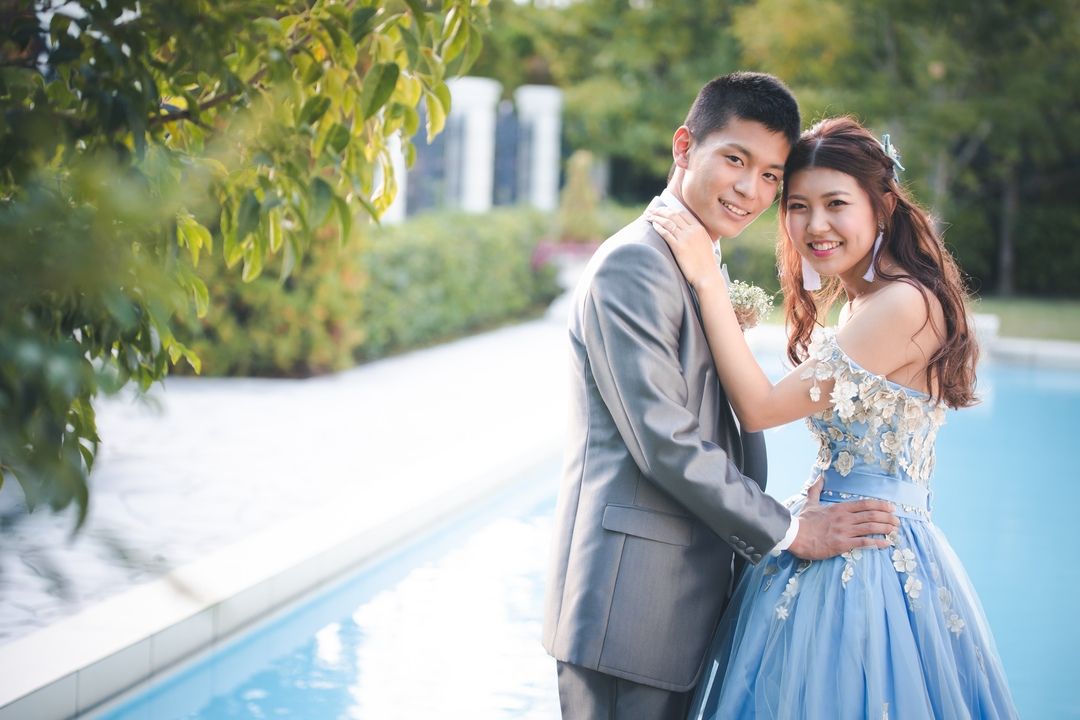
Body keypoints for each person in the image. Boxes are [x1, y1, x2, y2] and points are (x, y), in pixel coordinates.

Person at [542, 73, 900, 720]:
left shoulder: (691, 259)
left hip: (676, 600)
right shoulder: (637, 264)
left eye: (770, 176)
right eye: (736, 160)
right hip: (629, 608)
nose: (750, 190)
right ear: (685, 146)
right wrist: (789, 531)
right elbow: (665, 442)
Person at [647, 116, 1018, 718]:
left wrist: (708, 279)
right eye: (798, 206)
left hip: (869, 559)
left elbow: (761, 409)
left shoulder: (903, 303)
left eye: (836, 204)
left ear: (882, 206)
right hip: (829, 535)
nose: (815, 225)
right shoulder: (864, 303)